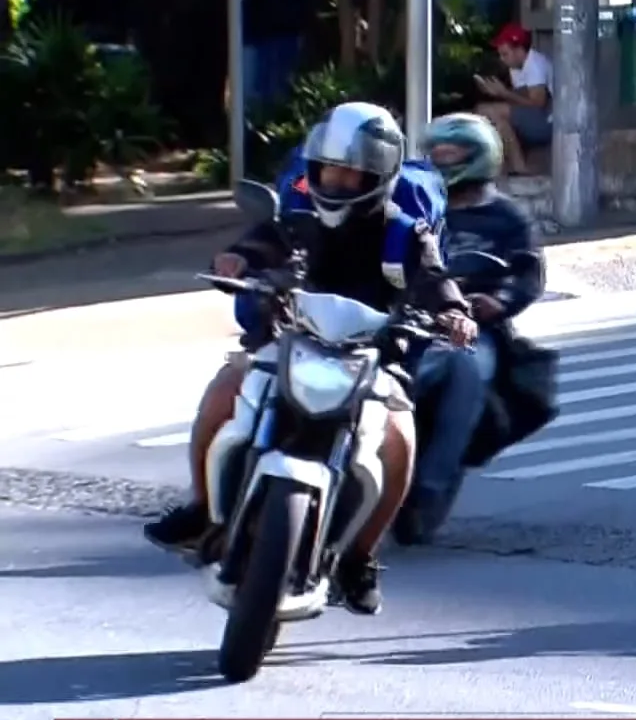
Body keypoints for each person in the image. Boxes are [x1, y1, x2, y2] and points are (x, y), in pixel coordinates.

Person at [143, 102, 477, 616]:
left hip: (371, 359)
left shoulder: (405, 232)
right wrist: (238, 261)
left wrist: (453, 312)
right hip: (293, 340)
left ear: (380, 174)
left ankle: (360, 557)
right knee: (225, 388)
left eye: (352, 171)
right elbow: (260, 244)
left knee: (400, 439)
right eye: (329, 169)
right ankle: (203, 508)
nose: (338, 181)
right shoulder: (297, 220)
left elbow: (434, 277)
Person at [401, 112, 547, 542]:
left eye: (453, 153)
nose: (443, 161)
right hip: (410, 318)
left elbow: (528, 274)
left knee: (469, 371)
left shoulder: (506, 217)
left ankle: (433, 481)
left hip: (473, 327)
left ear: (480, 157)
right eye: (437, 153)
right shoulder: (417, 203)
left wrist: (496, 302)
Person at [474, 23, 553, 176]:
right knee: (493, 117)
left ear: (519, 50)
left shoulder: (535, 64)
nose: (502, 59)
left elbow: (539, 103)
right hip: (534, 117)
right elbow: (521, 101)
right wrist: (496, 93)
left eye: (505, 54)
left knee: (490, 111)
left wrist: (503, 94)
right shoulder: (515, 68)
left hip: (549, 122)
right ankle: (517, 166)